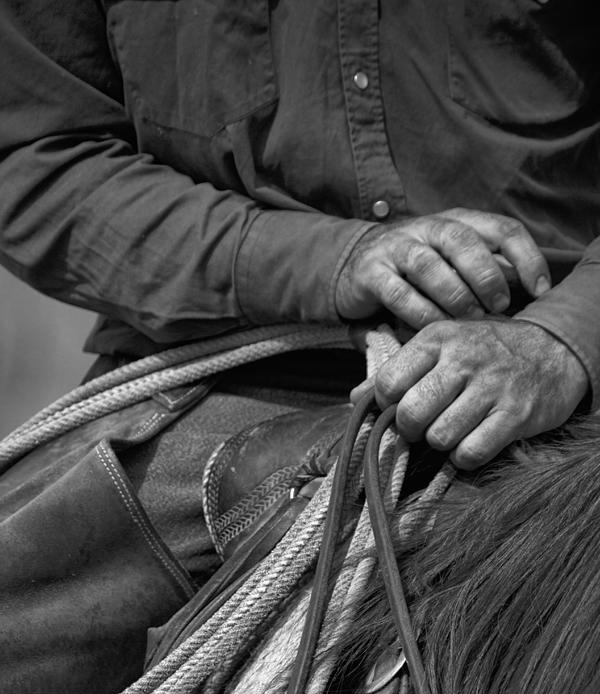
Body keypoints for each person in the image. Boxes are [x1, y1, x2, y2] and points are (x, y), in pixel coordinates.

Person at [1, 2, 599, 471]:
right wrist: (326, 260)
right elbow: (33, 154)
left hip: (556, 370)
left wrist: (568, 337)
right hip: (214, 369)